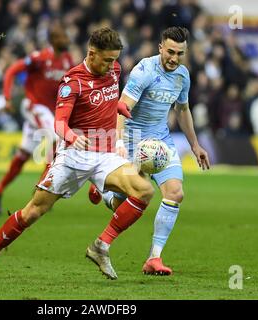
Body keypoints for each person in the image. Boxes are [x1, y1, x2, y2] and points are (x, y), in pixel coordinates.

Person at [0, 27, 152, 284]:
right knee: (32, 212)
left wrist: (119, 106)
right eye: (108, 59)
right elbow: (59, 124)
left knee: (143, 191)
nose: (114, 65)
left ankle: (100, 245)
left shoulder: (114, 70)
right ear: (91, 54)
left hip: (105, 154)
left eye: (115, 59)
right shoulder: (72, 81)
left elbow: (107, 99)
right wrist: (72, 136)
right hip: (74, 157)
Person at [89, 27, 210, 276]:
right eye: (170, 52)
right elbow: (121, 107)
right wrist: (119, 143)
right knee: (126, 203)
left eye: (180, 53)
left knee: (175, 193)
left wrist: (195, 145)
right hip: (134, 141)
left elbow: (183, 110)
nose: (174, 58)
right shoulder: (144, 70)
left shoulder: (183, 76)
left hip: (161, 142)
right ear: (160, 48)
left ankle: (154, 258)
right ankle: (106, 192)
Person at [0, 23, 74, 214]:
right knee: (55, 137)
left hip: (49, 111)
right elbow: (11, 71)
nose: (66, 41)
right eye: (62, 38)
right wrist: (8, 98)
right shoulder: (40, 57)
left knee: (24, 154)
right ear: (53, 40)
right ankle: (44, 188)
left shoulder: (67, 60)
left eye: (66, 37)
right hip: (33, 106)